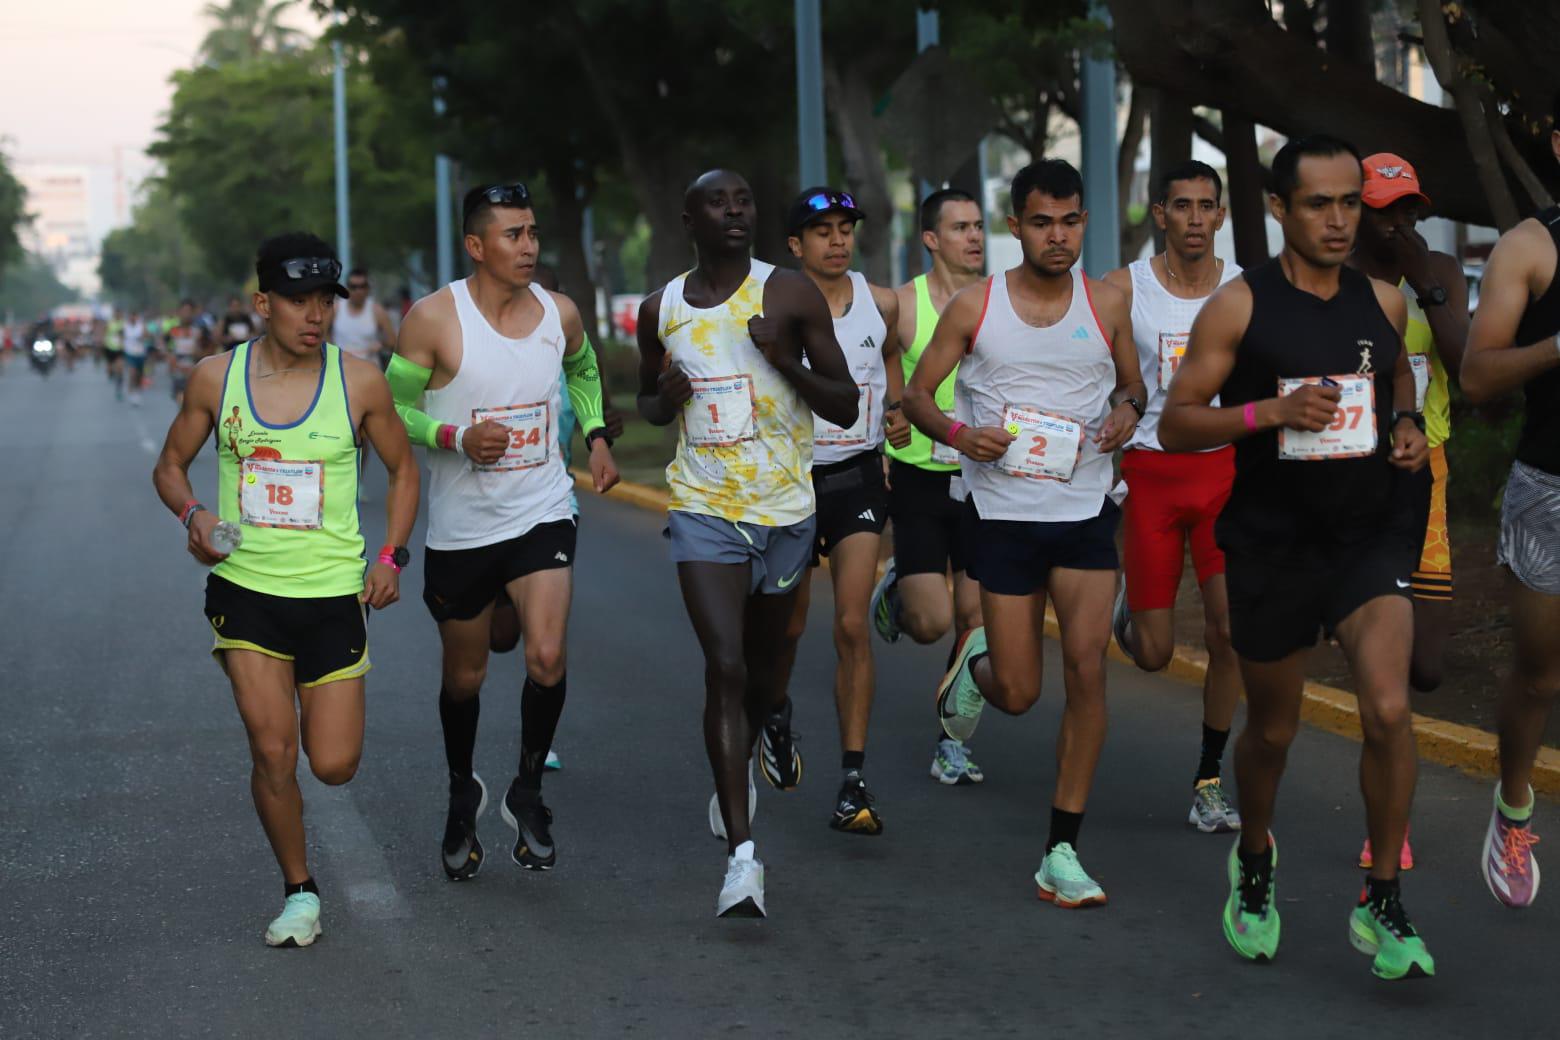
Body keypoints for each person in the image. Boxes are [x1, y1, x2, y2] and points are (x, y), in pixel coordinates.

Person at [1160, 135, 1433, 980]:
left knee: (1388, 709)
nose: (1340, 219)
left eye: (1350, 201)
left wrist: (1407, 427)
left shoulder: (1382, 303)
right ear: (1279, 209)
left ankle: (1382, 896)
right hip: (1273, 545)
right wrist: (1269, 416)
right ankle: (1253, 857)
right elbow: (1176, 422)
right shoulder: (1240, 306)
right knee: (1273, 729)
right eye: (1319, 203)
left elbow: (1398, 381)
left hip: (1367, 535)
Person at [151, 233, 420, 947]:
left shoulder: (359, 381)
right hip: (247, 590)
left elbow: (404, 470)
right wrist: (195, 515)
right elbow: (170, 466)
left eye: (325, 301)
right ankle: (299, 890)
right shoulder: (216, 378)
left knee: (332, 765)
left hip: (334, 596)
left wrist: (391, 555)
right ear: (262, 302)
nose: (316, 315)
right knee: (273, 752)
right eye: (299, 300)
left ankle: (303, 866)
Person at [905, 159, 1145, 909]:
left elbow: (1133, 386)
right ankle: (975, 666)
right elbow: (915, 395)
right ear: (1017, 227)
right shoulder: (977, 307)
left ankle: (1061, 849)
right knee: (1017, 693)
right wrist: (956, 432)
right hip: (1002, 517)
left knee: (1088, 670)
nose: (1058, 235)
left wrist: (1128, 413)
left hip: (1082, 513)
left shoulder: (1105, 303)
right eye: (1042, 222)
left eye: (1071, 221)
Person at [635, 169, 856, 917]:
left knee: (762, 676)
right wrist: (660, 402)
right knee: (724, 667)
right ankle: (742, 856)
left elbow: (846, 398)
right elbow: (646, 398)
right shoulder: (659, 308)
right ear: (689, 218)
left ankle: (764, 727)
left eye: (743, 202)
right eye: (718, 203)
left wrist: (784, 360)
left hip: (786, 512)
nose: (735, 212)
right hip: (702, 507)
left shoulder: (788, 294)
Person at [388, 183, 619, 883]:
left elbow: (581, 368)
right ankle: (464, 790)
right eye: (513, 235)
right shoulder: (432, 320)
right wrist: (454, 434)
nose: (529, 247)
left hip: (541, 508)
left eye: (533, 233)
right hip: (462, 530)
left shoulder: (560, 312)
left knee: (545, 655)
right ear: (475, 245)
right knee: (467, 675)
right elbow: (391, 412)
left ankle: (527, 790)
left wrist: (599, 434)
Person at [1103, 161, 1244, 835]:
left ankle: (1209, 779)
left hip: (1222, 472)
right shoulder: (1125, 288)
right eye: (1181, 205)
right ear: (1160, 214)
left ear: (1220, 217)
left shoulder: (1245, 291)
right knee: (1155, 654)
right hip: (1152, 473)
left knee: (1229, 632)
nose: (1194, 218)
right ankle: (1128, 612)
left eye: (1205, 206)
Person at [1346, 151, 1470, 872]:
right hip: (1353, 475)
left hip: (1428, 475)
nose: (1398, 223)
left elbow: (1472, 373)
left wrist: (1427, 287)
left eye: (1408, 209)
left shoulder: (1441, 273)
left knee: (1425, 669)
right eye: (1383, 208)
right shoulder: (1334, 282)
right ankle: (1387, 823)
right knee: (1386, 673)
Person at [776, 186, 905, 835]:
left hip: (857, 478)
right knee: (789, 627)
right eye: (821, 230)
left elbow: (891, 354)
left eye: (845, 228)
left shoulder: (881, 302)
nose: (837, 239)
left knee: (851, 625)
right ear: (796, 245)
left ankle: (852, 777)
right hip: (792, 484)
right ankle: (775, 715)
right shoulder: (773, 304)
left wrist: (898, 406)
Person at [1459, 95, 1560, 911]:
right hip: (1551, 490)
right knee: (1539, 672)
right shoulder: (1532, 247)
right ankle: (1515, 804)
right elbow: (1479, 374)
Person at [871, 187, 991, 787]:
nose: (974, 237)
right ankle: (898, 592)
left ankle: (952, 742)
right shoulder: (904, 304)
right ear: (931, 239)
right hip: (920, 474)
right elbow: (885, 361)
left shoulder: (999, 299)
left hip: (983, 481)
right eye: (961, 227)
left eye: (978, 226)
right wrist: (892, 411)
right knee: (931, 623)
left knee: (975, 621)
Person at [330, 268, 396, 368]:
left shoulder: (377, 310)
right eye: (354, 287)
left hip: (370, 368)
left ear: (368, 288)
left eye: (362, 286)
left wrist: (381, 344)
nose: (358, 291)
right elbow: (323, 334)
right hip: (340, 368)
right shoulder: (336, 308)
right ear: (347, 288)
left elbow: (393, 341)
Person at [165, 298, 214, 405]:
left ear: (193, 313)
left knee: (194, 402)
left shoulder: (200, 330)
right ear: (178, 312)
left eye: (188, 311)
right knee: (181, 401)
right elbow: (167, 348)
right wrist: (170, 359)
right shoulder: (174, 330)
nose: (185, 314)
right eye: (183, 311)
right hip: (179, 370)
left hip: (195, 369)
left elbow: (211, 348)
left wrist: (200, 354)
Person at [121, 311, 151, 406]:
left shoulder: (141, 326)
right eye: (131, 316)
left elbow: (147, 336)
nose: (133, 318)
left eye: (135, 316)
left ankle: (137, 390)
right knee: (132, 372)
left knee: (139, 375)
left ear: (137, 317)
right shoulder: (125, 326)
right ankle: (132, 392)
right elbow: (121, 336)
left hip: (140, 353)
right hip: (129, 353)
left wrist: (143, 335)